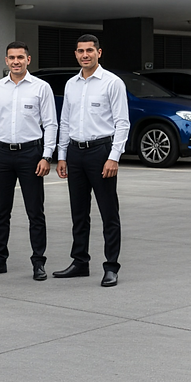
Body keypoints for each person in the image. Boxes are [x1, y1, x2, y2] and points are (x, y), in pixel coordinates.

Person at [55, 34, 130, 287]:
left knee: (108, 212)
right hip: (75, 152)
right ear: (76, 54)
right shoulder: (71, 84)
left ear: (99, 52)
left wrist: (113, 157)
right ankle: (80, 262)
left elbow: (122, 122)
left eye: (89, 50)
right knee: (79, 212)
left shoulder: (112, 83)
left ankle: (111, 266)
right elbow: (65, 122)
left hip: (101, 152)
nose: (85, 55)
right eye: (80, 51)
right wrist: (62, 156)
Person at [0, 41, 57, 281]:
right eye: (12, 58)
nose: (16, 61)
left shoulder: (41, 88)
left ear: (28, 60)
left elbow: (51, 124)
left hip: (31, 154)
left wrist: (46, 155)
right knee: (1, 212)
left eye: (20, 57)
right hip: (2, 154)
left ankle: (38, 262)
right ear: (6, 60)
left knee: (35, 212)